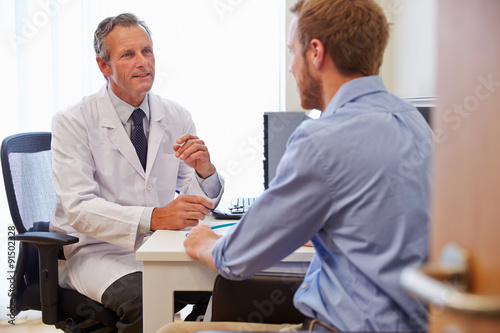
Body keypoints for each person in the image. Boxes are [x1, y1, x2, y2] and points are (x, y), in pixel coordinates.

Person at [159, 0, 431, 332]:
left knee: (172, 329)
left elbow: (236, 259)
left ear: (316, 52)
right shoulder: (416, 124)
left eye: (292, 52)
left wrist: (204, 241)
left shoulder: (321, 139)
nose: (290, 67)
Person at [49, 13, 224, 332]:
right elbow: (79, 209)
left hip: (159, 246)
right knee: (143, 299)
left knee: (222, 284)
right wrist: (155, 217)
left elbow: (193, 205)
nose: (143, 62)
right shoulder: (73, 122)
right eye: (128, 54)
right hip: (96, 251)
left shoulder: (176, 115)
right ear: (104, 66)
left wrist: (205, 172)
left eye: (147, 51)